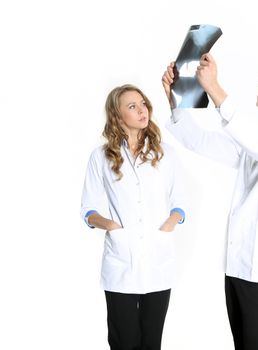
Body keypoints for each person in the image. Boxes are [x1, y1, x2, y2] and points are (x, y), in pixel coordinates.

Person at [161, 54, 258, 350]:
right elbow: (199, 141)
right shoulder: (254, 142)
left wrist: (214, 88)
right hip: (236, 267)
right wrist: (175, 99)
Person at [80, 84, 186, 350]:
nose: (142, 110)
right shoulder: (101, 157)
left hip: (157, 256)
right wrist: (111, 226)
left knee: (151, 341)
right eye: (132, 106)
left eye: (143, 103)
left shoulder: (166, 154)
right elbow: (88, 209)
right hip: (121, 261)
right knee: (123, 341)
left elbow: (180, 202)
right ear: (117, 116)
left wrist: (169, 224)